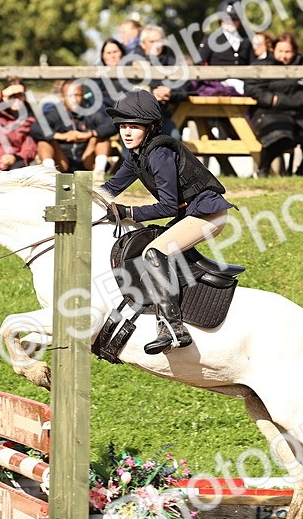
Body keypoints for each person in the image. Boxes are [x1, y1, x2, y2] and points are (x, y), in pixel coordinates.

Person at [99, 90, 236, 354]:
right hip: (192, 214)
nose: (126, 133)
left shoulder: (159, 153)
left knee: (155, 251)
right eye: (123, 127)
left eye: (134, 127)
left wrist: (129, 211)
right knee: (153, 246)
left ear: (150, 128)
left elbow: (168, 206)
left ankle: (173, 327)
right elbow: (109, 190)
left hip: (208, 214)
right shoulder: (136, 155)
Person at [245, 32, 303, 176]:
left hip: (301, 113)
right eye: (280, 51)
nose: (284, 56)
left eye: (288, 52)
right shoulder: (262, 65)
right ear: (273, 49)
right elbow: (250, 87)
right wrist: (270, 99)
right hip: (269, 113)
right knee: (280, 135)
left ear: (295, 51)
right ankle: (263, 169)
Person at [38, 79, 117, 176]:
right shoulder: (54, 112)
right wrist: (59, 136)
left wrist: (89, 134)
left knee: (102, 137)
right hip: (62, 161)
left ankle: (99, 172)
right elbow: (36, 128)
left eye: (77, 95)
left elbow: (112, 124)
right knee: (44, 142)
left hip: (87, 159)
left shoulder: (91, 111)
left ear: (83, 96)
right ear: (62, 97)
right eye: (70, 96)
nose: (74, 99)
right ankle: (49, 173)